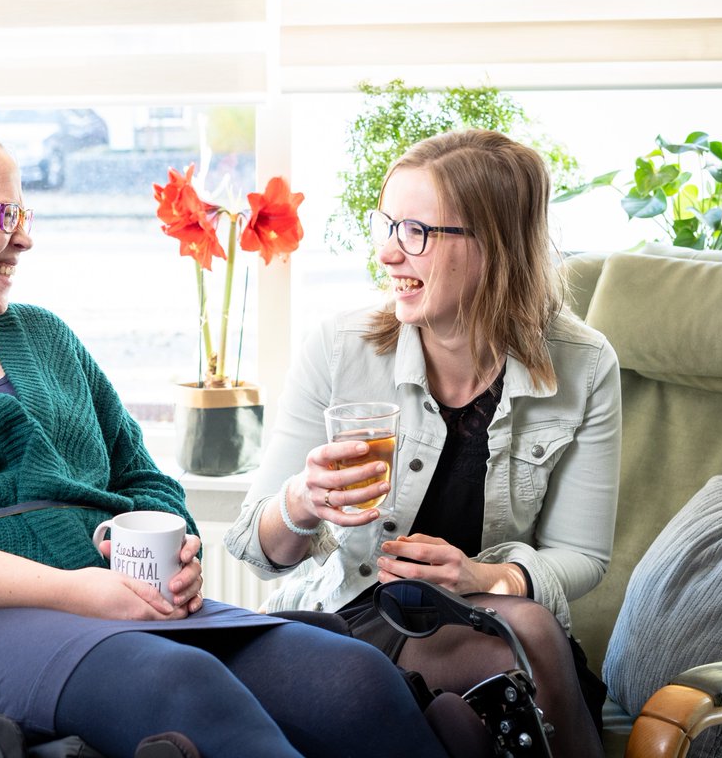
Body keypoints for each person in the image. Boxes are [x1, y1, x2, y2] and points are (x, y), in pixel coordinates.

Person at [0, 109, 458, 758]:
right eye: (3, 211)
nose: (25, 234)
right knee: (172, 685)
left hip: (114, 608)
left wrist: (170, 548)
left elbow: (145, 483)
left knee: (352, 676)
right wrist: (76, 591)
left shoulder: (44, 336)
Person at [225, 129, 621, 758]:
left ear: (494, 244)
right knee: (517, 649)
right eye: (387, 226)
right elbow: (256, 547)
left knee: (518, 631)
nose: (388, 253)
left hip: (493, 620)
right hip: (360, 616)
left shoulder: (584, 364)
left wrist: (487, 576)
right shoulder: (340, 348)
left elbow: (582, 556)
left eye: (416, 231)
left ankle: (453, 729)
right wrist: (303, 501)